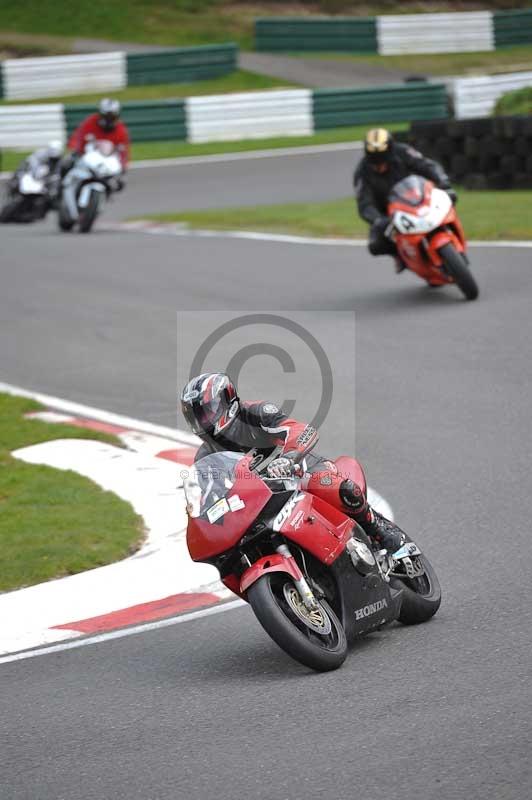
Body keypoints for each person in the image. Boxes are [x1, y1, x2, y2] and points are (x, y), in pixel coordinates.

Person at [181, 372, 407, 554]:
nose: (203, 421)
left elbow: (301, 430)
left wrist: (288, 458)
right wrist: (200, 514)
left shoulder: (256, 413)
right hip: (260, 502)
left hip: (300, 472)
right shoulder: (205, 457)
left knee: (336, 488)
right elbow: (210, 495)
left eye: (206, 413)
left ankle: (378, 528)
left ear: (227, 400)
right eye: (196, 417)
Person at [354, 128, 456, 272]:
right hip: (390, 213)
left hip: (418, 196)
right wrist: (377, 220)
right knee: (375, 245)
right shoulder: (362, 172)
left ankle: (451, 233)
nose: (379, 165)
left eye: (382, 159)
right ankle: (400, 255)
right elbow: (364, 203)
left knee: (449, 199)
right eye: (374, 161)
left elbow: (427, 165)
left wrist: (443, 181)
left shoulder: (403, 152)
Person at [66, 98, 130, 170]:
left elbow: (123, 151)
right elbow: (78, 136)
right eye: (107, 117)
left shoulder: (121, 130)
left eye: (112, 117)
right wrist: (76, 150)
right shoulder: (90, 122)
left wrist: (123, 165)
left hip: (107, 165)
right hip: (87, 160)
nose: (109, 120)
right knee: (68, 162)